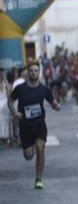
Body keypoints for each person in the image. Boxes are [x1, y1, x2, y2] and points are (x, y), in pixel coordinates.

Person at [8, 61, 61, 189]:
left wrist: (56, 106)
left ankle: (38, 179)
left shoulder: (44, 89)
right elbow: (10, 101)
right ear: (27, 72)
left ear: (39, 72)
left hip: (39, 125)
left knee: (40, 149)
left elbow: (53, 102)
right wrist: (15, 112)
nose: (33, 73)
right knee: (28, 155)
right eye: (31, 70)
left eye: (36, 70)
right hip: (25, 126)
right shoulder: (20, 89)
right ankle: (27, 148)